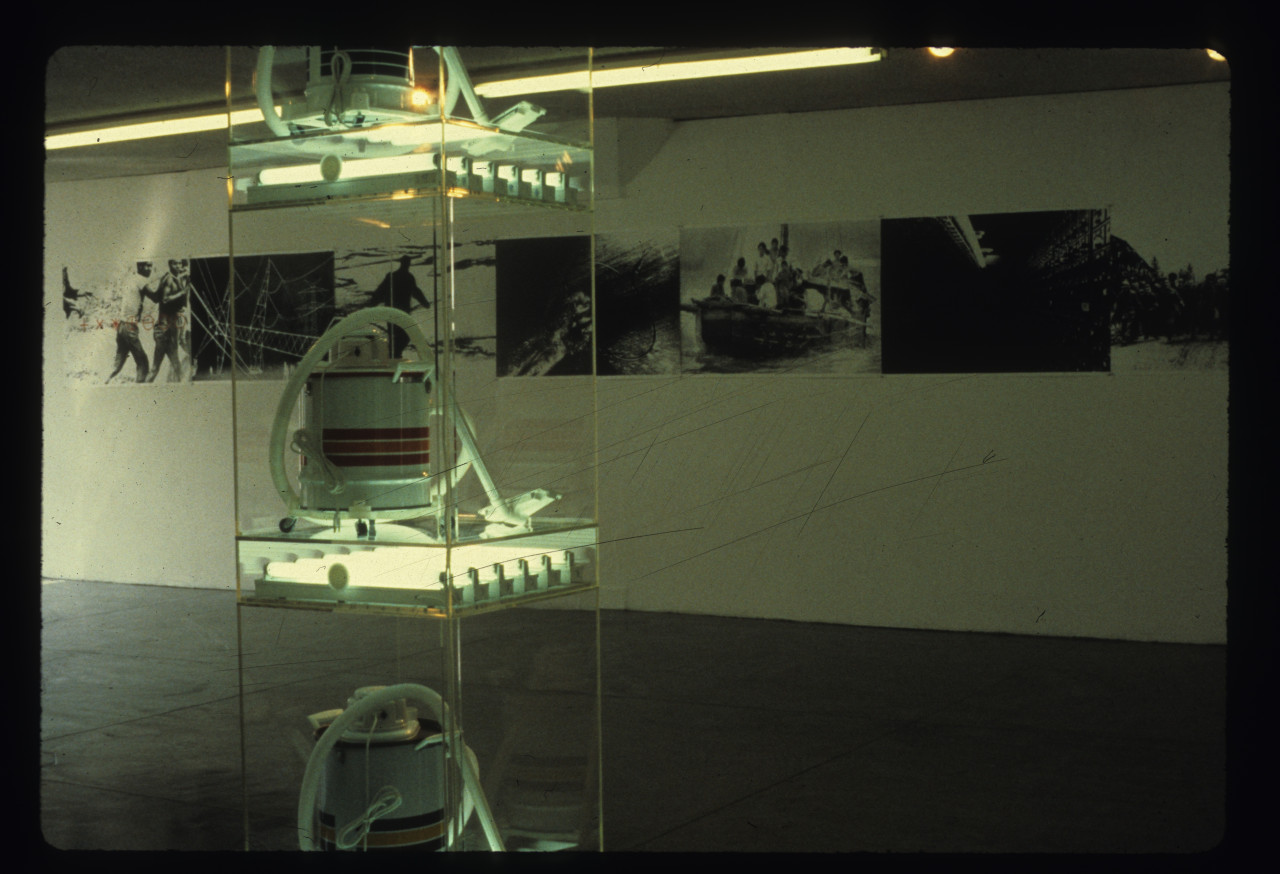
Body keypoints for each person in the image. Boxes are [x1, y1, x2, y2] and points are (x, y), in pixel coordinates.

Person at [371, 255, 431, 358]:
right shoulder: (406, 277)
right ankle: (394, 356)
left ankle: (394, 356)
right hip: (400, 314)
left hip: (394, 314)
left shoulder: (396, 276)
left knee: (399, 337)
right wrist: (425, 303)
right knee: (403, 337)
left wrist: (372, 303)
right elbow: (416, 292)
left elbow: (380, 292)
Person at [106, 261, 154, 383]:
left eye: (151, 266)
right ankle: (140, 389)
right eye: (147, 266)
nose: (150, 269)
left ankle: (106, 380)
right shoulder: (141, 280)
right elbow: (156, 297)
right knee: (143, 362)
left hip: (121, 326)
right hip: (129, 327)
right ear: (140, 267)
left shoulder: (131, 279)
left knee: (119, 360)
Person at [146, 259, 190, 382]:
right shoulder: (169, 279)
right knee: (156, 368)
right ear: (170, 265)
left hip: (170, 329)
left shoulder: (176, 278)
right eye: (175, 264)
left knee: (176, 365)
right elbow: (164, 299)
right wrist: (182, 292)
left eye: (180, 263)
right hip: (164, 330)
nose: (178, 266)